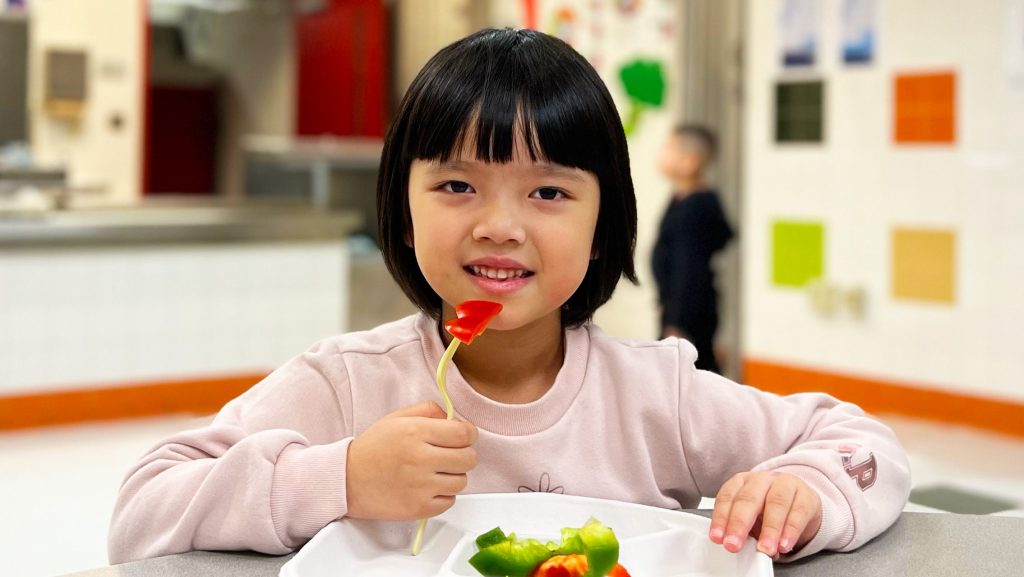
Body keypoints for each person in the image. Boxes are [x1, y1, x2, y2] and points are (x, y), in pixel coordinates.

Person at [109, 28, 909, 567]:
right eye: (457, 184)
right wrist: (341, 477)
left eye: (549, 194)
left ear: (605, 225)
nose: (500, 226)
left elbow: (862, 445)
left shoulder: (654, 394)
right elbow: (141, 513)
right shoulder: (347, 384)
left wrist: (806, 489)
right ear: (403, 206)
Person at [651, 124, 734, 374]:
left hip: (689, 313)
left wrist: (677, 323)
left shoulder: (695, 210)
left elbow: (689, 270)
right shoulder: (683, 198)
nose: (662, 154)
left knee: (692, 378)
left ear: (690, 162)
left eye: (669, 148)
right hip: (681, 307)